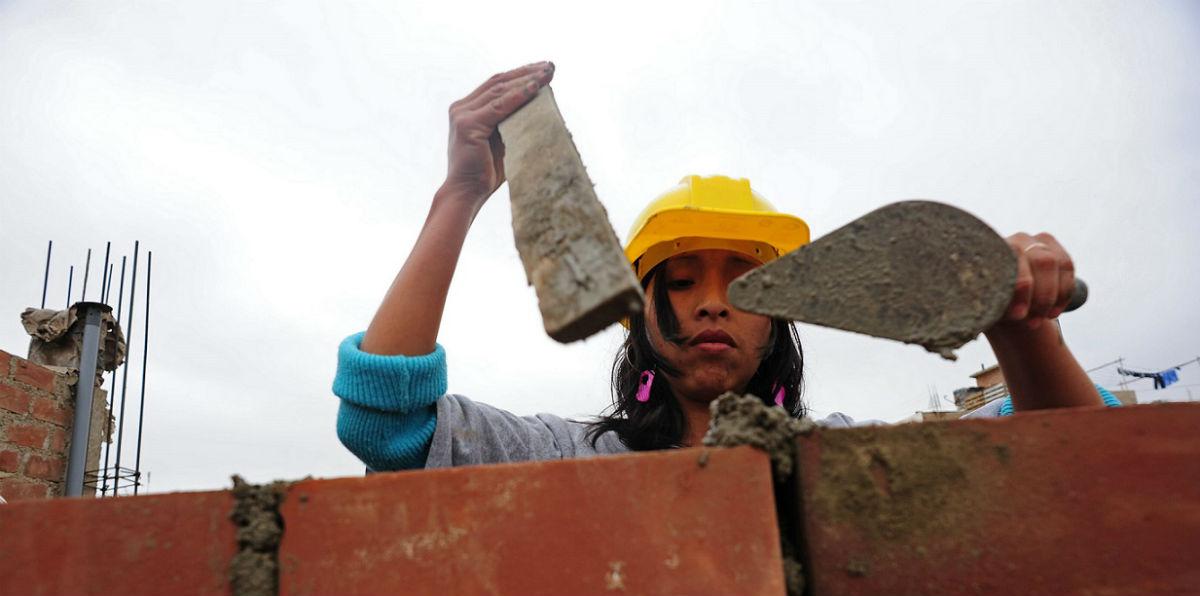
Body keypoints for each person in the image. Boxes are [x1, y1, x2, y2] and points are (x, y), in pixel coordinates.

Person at [332, 62, 1119, 472]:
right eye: (680, 280)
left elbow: (1082, 463)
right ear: (637, 311)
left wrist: (1023, 327)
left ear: (781, 312)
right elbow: (384, 422)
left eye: (743, 283)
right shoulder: (566, 456)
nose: (712, 304)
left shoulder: (854, 461)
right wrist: (461, 195)